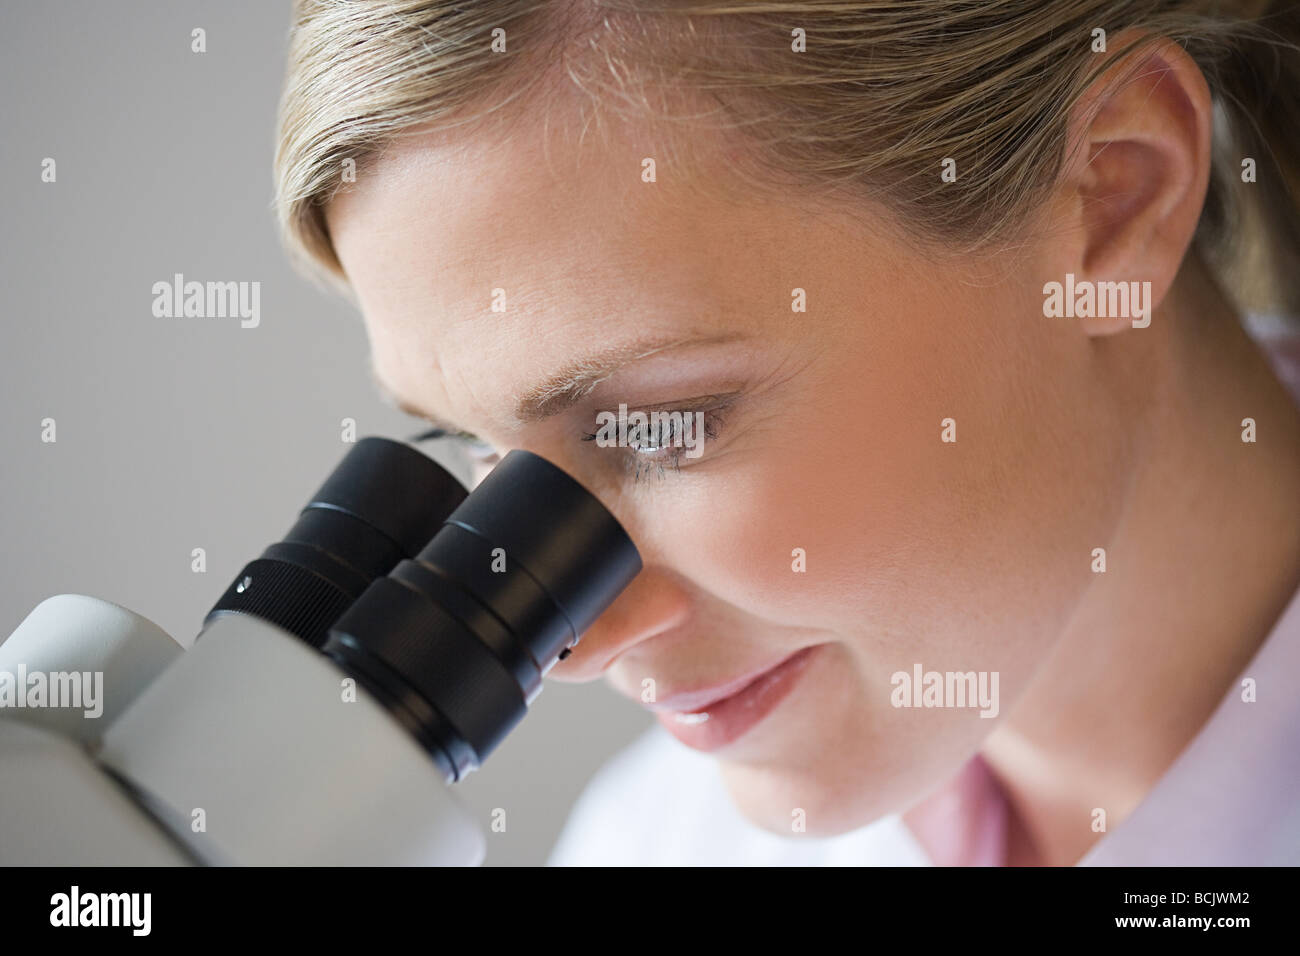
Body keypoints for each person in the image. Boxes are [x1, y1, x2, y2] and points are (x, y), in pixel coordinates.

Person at [272, 0, 1300, 865]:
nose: (573, 643)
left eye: (658, 427)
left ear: (1115, 197)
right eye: (473, 449)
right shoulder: (654, 841)